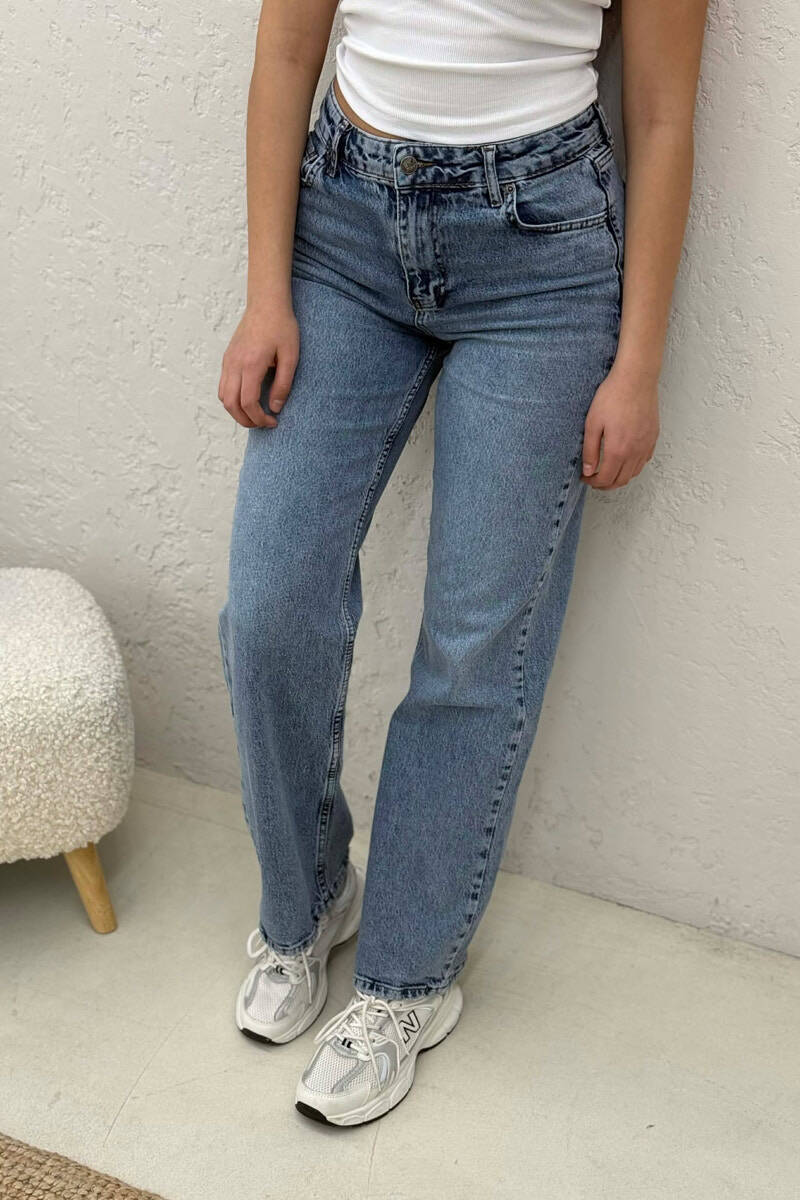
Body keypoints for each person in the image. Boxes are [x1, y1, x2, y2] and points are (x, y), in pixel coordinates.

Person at [217, 0, 708, 1127]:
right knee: (270, 606)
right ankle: (307, 903)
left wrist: (638, 364)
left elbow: (662, 114)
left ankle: (406, 983)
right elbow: (287, 50)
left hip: (542, 263)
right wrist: (264, 294)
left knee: (474, 649)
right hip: (342, 230)